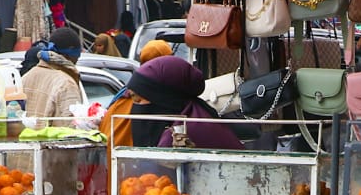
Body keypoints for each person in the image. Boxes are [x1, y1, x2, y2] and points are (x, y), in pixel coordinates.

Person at [101, 55, 241, 159]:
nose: (134, 106)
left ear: (163, 99)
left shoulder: (183, 134)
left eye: (137, 98)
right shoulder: (197, 116)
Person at [22, 28, 84, 121]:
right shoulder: (66, 84)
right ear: (69, 54)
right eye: (78, 56)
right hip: (54, 135)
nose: (77, 61)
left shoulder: (26, 77)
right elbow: (72, 126)